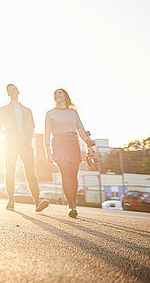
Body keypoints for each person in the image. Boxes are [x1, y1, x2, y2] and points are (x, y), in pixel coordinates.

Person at [0, 84, 49, 212]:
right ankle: (11, 200)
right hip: (10, 145)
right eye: (9, 90)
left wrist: (27, 138)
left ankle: (37, 202)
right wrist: (9, 134)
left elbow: (32, 127)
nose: (12, 91)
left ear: (18, 91)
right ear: (7, 94)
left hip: (25, 145)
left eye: (14, 89)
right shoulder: (3, 110)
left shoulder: (27, 110)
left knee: (31, 173)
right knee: (10, 172)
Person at [44, 88, 95, 218]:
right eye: (55, 94)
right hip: (59, 143)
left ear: (66, 96)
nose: (57, 95)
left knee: (73, 176)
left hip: (73, 143)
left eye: (60, 93)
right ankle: (71, 205)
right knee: (65, 174)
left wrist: (90, 145)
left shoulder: (73, 113)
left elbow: (81, 131)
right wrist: (48, 151)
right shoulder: (50, 113)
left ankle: (74, 202)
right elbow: (47, 133)